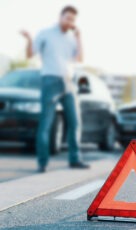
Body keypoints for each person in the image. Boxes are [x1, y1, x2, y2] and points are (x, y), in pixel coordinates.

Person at [20, 5, 89, 172]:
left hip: (69, 82)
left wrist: (79, 38)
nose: (70, 22)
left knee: (75, 122)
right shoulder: (46, 33)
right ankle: (42, 163)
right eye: (67, 18)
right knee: (46, 123)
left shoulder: (72, 39)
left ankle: (75, 159)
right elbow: (30, 55)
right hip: (50, 81)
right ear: (60, 17)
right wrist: (29, 39)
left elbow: (80, 58)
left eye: (73, 20)